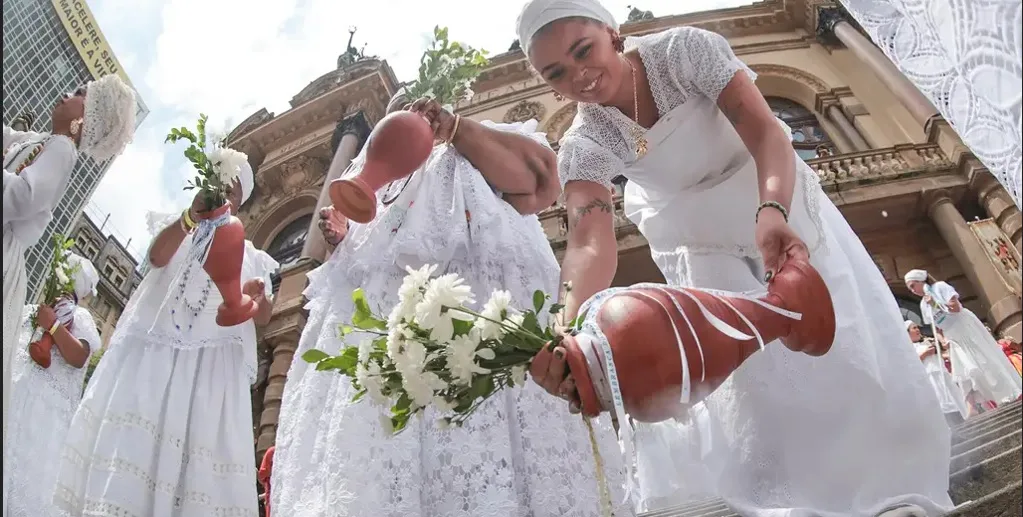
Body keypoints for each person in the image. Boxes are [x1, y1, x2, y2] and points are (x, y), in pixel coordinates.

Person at [517, 1, 954, 515]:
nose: (580, 75)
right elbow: (591, 241)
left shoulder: (685, 52)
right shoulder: (582, 144)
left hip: (776, 203)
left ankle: (884, 489)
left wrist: (772, 209)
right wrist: (567, 328)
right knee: (760, 387)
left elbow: (766, 130)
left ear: (612, 33)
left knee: (839, 344)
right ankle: (808, 503)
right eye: (558, 73)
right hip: (699, 241)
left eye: (583, 50)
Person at [270, 89, 631, 517]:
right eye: (393, 122)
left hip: (482, 332)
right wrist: (346, 238)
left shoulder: (477, 143)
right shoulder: (376, 189)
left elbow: (539, 185)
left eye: (409, 115)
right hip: (393, 361)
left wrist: (455, 129)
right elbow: (354, 285)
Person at [52, 161, 279, 517]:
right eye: (217, 185)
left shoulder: (251, 255)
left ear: (239, 201)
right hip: (155, 354)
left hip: (209, 372)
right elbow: (157, 257)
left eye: (231, 191)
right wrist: (189, 217)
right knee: (133, 448)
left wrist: (257, 296)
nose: (223, 193)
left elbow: (263, 317)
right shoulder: (180, 226)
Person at [3, 74, 136, 444]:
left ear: (85, 120)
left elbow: (21, 197)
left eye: (80, 95)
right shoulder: (44, 141)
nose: (65, 94)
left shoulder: (62, 148)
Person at [3, 253, 100, 517]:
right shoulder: (31, 311)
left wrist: (54, 326)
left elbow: (79, 357)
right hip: (12, 398)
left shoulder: (79, 318)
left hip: (45, 417)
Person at [904, 270, 1022, 407]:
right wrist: (943, 340)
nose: (913, 291)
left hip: (964, 327)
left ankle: (1008, 393)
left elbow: (956, 308)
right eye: (910, 289)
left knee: (985, 360)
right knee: (969, 369)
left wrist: (935, 304)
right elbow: (936, 327)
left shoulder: (940, 287)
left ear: (921, 281)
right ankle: (991, 400)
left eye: (913, 286)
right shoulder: (923, 305)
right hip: (952, 336)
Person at [905, 320, 968, 426]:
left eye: (917, 327)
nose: (918, 330)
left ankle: (963, 416)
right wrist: (924, 354)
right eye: (914, 328)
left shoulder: (926, 342)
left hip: (941, 372)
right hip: (930, 377)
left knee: (953, 396)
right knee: (942, 399)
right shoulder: (908, 348)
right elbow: (911, 364)